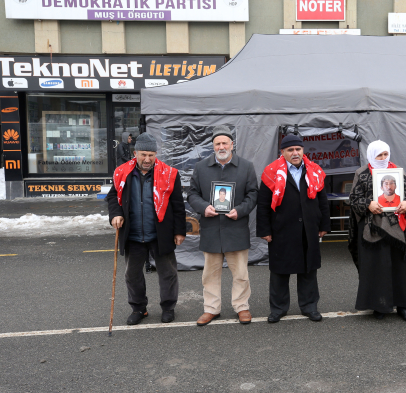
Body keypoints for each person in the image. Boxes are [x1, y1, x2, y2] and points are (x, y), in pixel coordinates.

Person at [106, 133, 186, 325]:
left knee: (168, 273)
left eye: (151, 155)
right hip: (133, 234)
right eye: (143, 154)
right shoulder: (122, 173)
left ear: (156, 154)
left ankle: (168, 308)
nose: (147, 159)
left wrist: (179, 231)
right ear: (135, 153)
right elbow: (112, 197)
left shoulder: (169, 174)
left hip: (161, 233)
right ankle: (139, 308)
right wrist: (115, 214)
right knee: (132, 275)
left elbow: (178, 205)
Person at [187, 126, 258, 326]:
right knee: (210, 274)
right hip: (210, 228)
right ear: (213, 146)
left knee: (241, 274)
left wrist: (240, 210)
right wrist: (203, 208)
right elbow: (192, 194)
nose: (221, 146)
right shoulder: (201, 167)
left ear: (231, 145)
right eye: (217, 143)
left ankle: (242, 306)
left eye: (224, 143)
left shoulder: (246, 166)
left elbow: (253, 194)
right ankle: (211, 308)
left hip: (236, 227)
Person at [257, 134, 330, 323]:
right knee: (280, 271)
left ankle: (309, 306)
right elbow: (263, 204)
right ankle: (278, 308)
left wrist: (324, 225)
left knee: (308, 269)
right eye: (290, 150)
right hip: (281, 229)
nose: (295, 153)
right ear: (282, 152)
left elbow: (322, 201)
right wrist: (265, 230)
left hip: (309, 228)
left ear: (303, 150)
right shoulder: (271, 172)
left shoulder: (315, 171)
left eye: (298, 149)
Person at [347, 140, 406, 323]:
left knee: (401, 268)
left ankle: (403, 305)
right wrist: (368, 204)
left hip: (398, 228)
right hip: (373, 230)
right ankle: (379, 305)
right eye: (379, 155)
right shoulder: (362, 173)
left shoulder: (398, 171)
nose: (382, 158)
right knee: (377, 268)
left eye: (385, 154)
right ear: (372, 155)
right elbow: (354, 198)